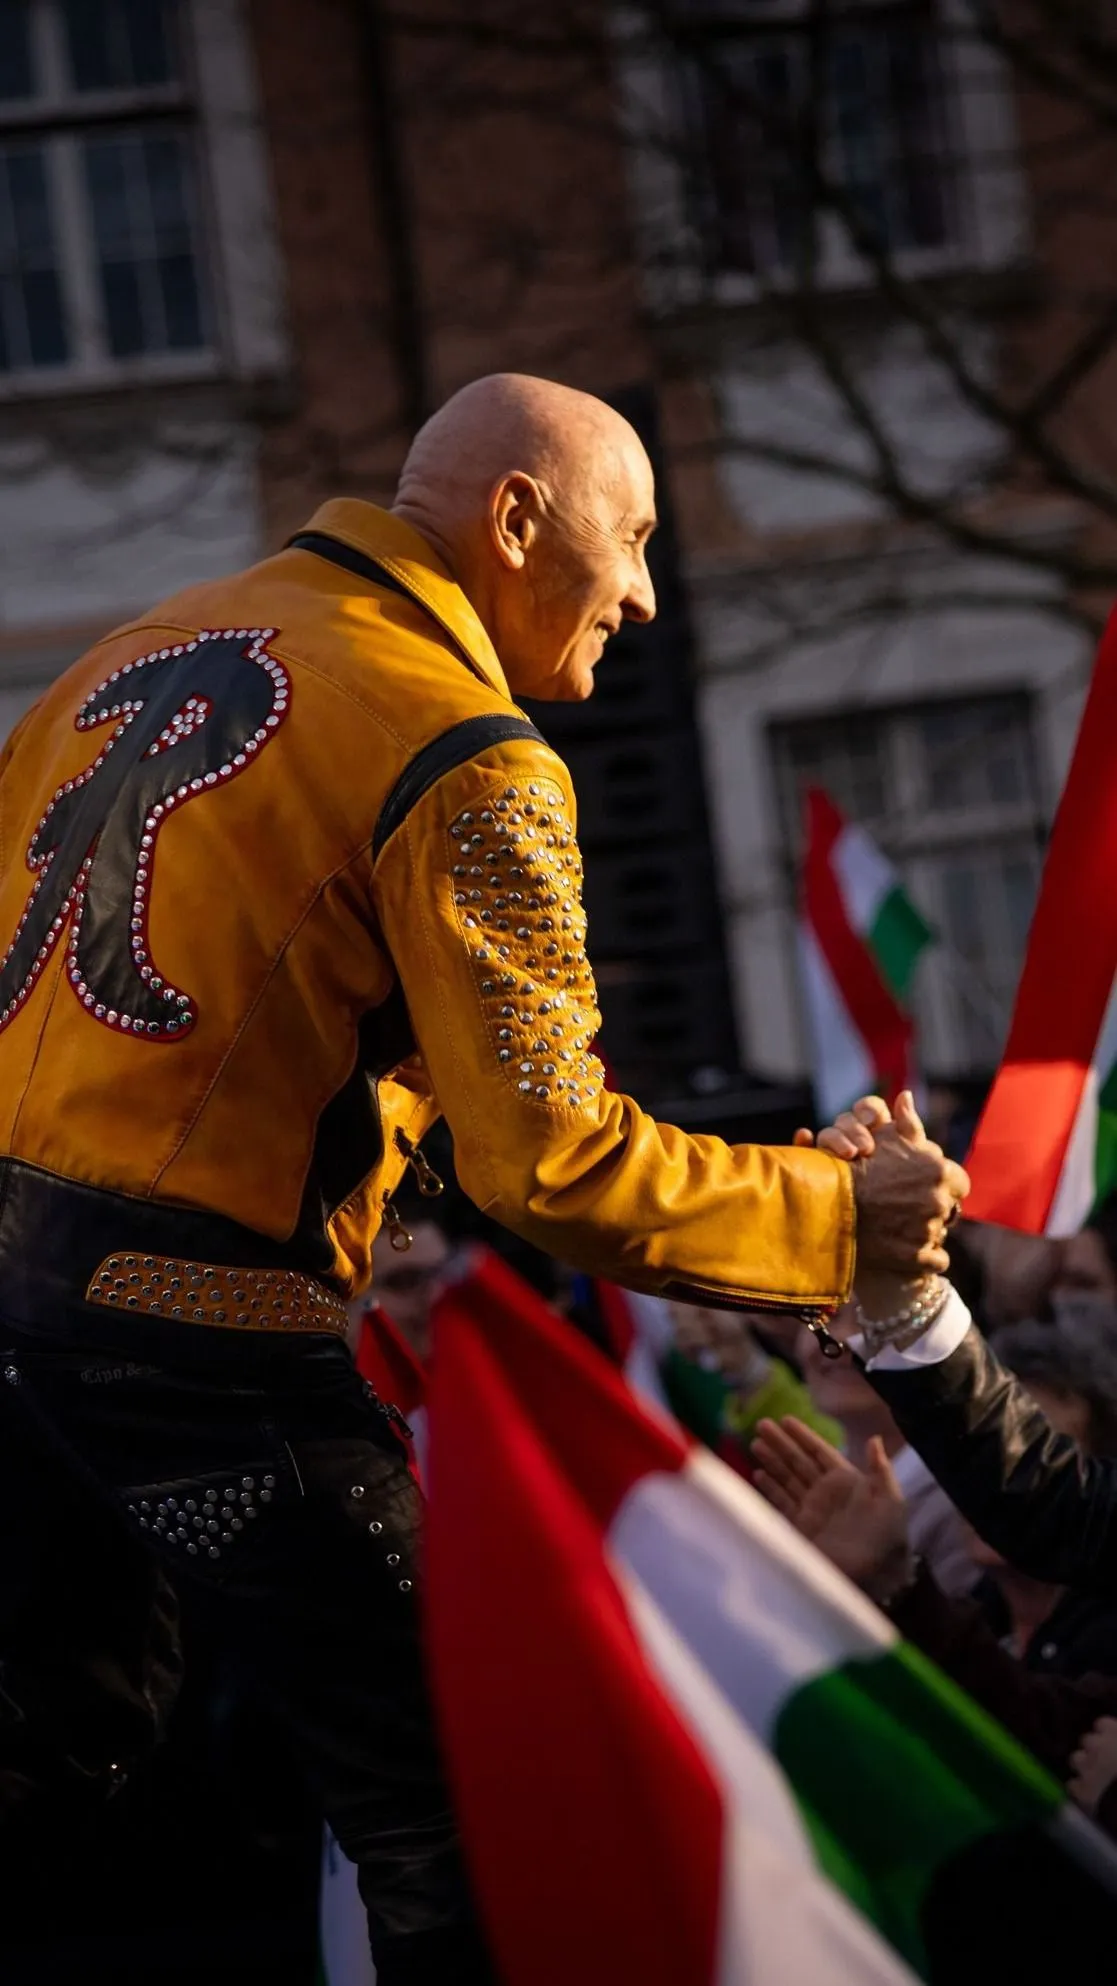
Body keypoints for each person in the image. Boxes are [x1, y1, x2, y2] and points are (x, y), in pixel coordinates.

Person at [0, 374, 963, 1979]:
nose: (645, 594)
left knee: (54, 1766)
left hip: (29, 1312)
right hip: (198, 1338)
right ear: (517, 520)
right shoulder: (462, 745)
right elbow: (556, 1166)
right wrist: (837, 1214)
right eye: (633, 538)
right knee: (471, 1780)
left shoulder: (126, 651)